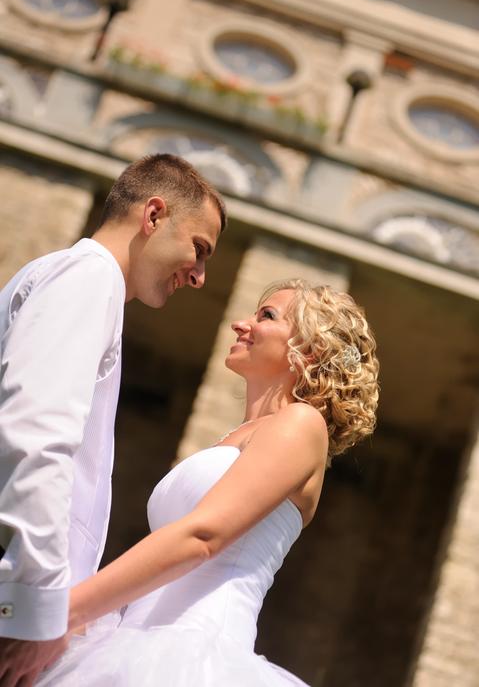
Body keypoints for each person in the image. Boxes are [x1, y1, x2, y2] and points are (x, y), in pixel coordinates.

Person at [35, 278, 379, 686]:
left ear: (309, 350)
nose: (241, 323)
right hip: (128, 645)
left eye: (266, 316)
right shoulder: (236, 438)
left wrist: (67, 610)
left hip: (196, 657)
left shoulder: (302, 424)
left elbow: (203, 536)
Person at [0, 153, 226, 687]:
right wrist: (36, 609)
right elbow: (36, 437)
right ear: (153, 215)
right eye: (199, 249)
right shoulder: (89, 276)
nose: (199, 277)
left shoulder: (81, 280)